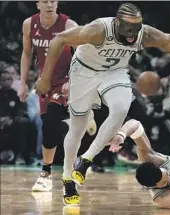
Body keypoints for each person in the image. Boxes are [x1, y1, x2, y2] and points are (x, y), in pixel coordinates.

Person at [35, 3, 170, 205]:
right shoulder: (99, 30)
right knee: (77, 127)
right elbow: (60, 39)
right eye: (127, 28)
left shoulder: (144, 34)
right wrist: (44, 78)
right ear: (117, 23)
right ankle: (68, 179)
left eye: (136, 27)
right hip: (84, 71)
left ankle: (86, 159)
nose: (132, 33)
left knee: (121, 108)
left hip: (114, 72)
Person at [18, 0, 96, 192]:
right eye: (45, 1)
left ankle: (45, 173)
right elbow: (27, 54)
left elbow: (85, 54)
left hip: (66, 79)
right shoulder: (29, 24)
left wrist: (75, 80)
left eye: (53, 1)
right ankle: (79, 120)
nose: (49, 5)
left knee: (50, 121)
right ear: (38, 4)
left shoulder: (69, 26)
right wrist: (22, 82)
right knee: (49, 127)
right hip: (44, 80)